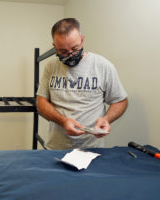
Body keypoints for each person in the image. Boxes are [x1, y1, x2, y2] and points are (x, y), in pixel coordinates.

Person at [36, 18, 128, 150]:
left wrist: (106, 119)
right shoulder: (50, 67)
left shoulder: (103, 66)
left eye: (75, 48)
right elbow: (41, 102)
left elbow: (120, 101)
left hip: (92, 149)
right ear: (54, 47)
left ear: (82, 39)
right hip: (55, 148)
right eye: (63, 51)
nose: (70, 55)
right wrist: (63, 121)